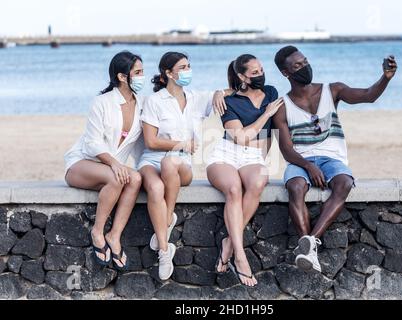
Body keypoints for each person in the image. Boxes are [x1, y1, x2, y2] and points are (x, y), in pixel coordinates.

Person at [272, 46, 397, 272]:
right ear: (285, 73)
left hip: (332, 158)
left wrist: (385, 78)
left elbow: (368, 95)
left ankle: (309, 245)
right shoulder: (282, 107)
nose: (305, 67)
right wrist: (309, 166)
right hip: (300, 161)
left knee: (344, 183)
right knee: (296, 186)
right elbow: (286, 150)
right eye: (297, 66)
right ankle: (309, 248)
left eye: (305, 61)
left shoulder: (333, 90)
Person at [138, 52, 231, 281]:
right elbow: (150, 141)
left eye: (189, 65)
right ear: (168, 73)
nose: (188, 70)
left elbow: (229, 92)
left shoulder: (196, 97)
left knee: (171, 162)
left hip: (182, 165)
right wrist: (182, 143)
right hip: (151, 159)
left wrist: (219, 91)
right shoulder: (154, 101)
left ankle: (167, 218)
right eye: (182, 67)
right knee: (156, 188)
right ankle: (164, 250)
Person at [206, 54, 284, 287]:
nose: (260, 75)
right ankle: (240, 257)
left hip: (253, 156)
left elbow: (270, 136)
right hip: (226, 153)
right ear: (242, 76)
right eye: (254, 72)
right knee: (233, 189)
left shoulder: (270, 92)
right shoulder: (227, 103)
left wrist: (263, 159)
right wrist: (266, 114)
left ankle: (229, 243)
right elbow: (241, 138)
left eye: (261, 70)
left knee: (259, 181)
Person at [64, 51, 146, 271]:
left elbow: (139, 146)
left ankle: (114, 235)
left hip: (110, 170)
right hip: (82, 163)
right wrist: (115, 163)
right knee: (118, 177)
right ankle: (97, 231)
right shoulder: (102, 102)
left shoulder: (141, 105)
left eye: (142, 72)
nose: (142, 77)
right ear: (121, 76)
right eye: (137, 72)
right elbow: (91, 143)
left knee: (136, 178)